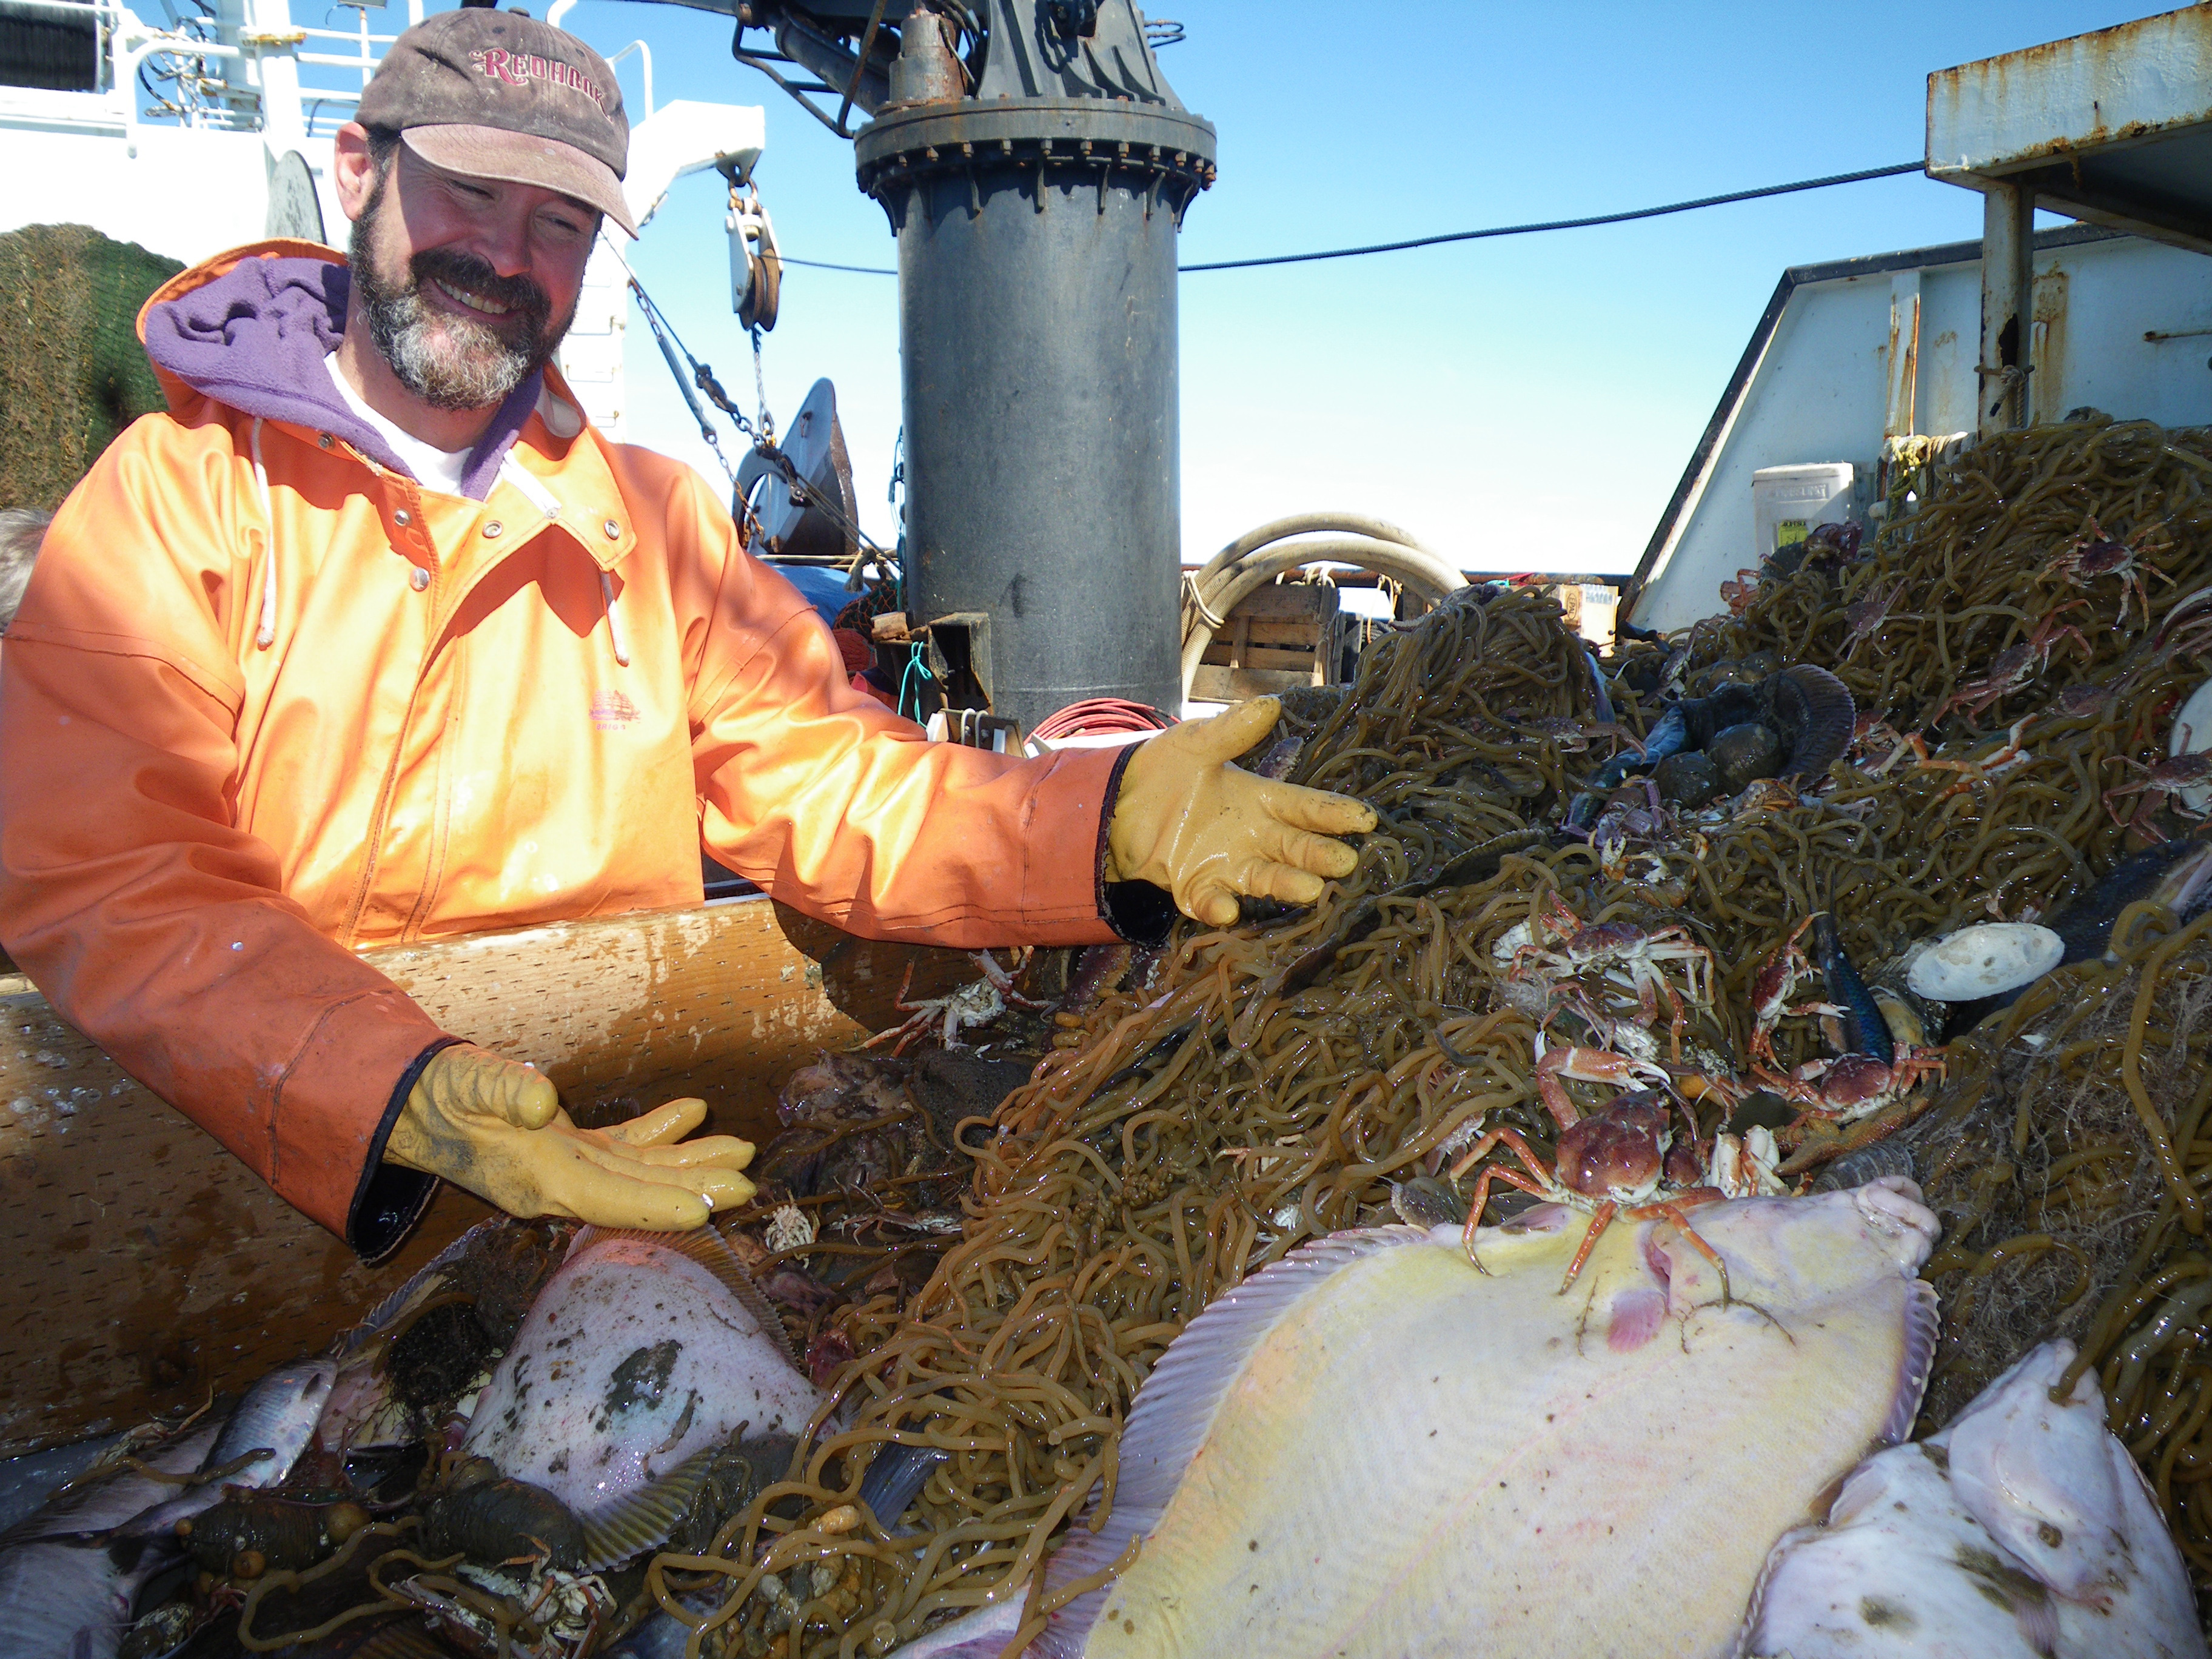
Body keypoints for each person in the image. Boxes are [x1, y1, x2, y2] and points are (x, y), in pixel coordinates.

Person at [0, 10, 1373, 1261]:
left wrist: (1097, 823)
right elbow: (112, 876)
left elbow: (838, 785)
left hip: (618, 1168)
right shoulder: (180, 500)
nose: (507, 257)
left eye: (561, 224)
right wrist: (400, 1093)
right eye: (470, 193)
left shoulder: (654, 525)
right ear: (358, 172)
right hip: (254, 1187)